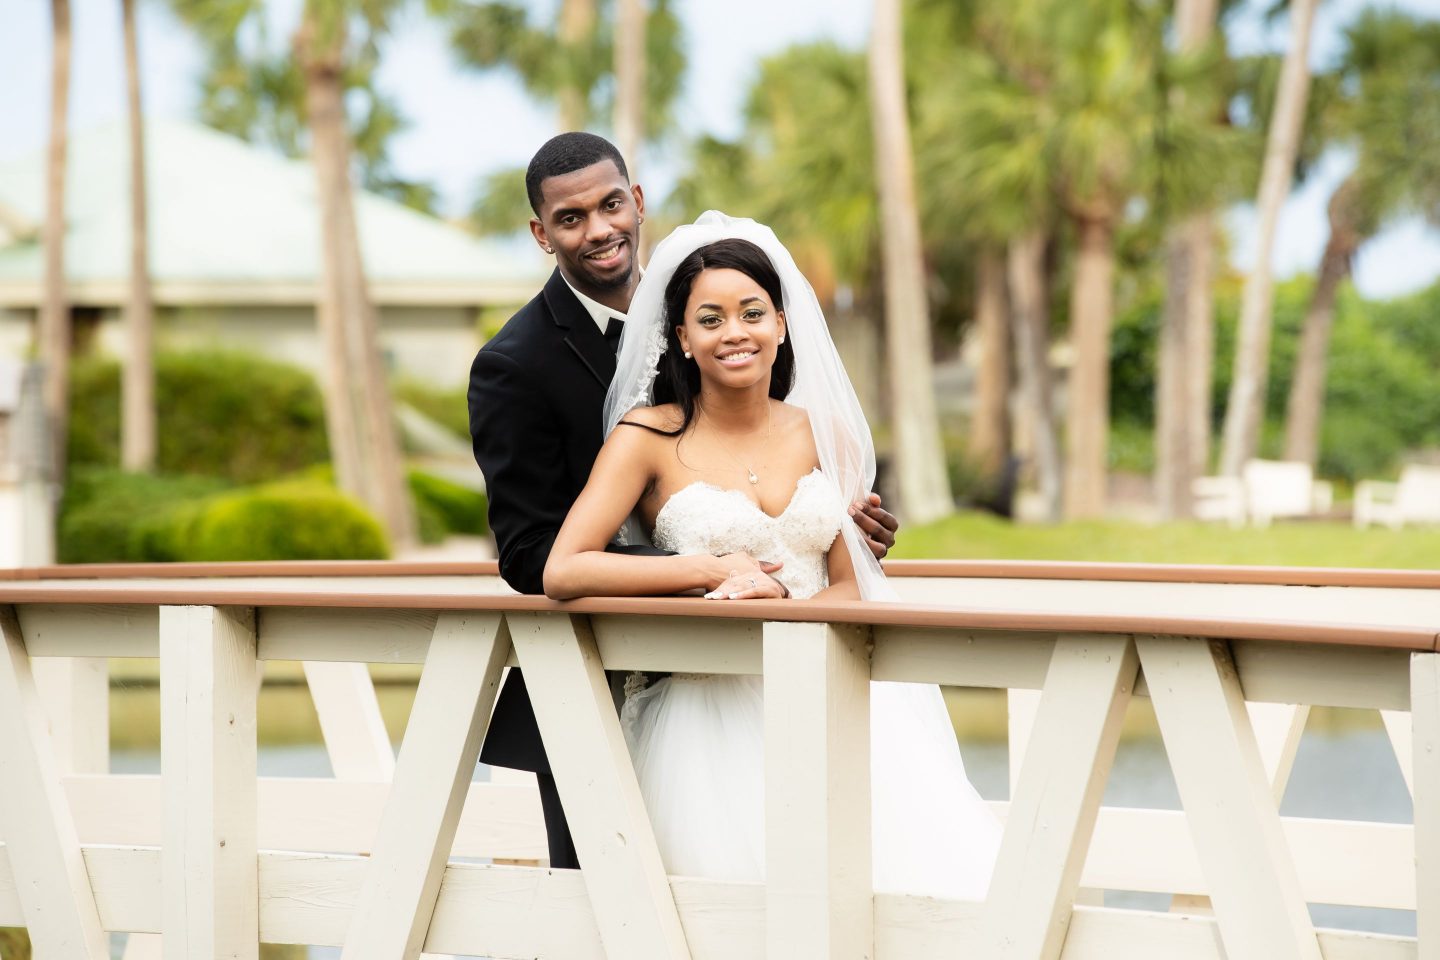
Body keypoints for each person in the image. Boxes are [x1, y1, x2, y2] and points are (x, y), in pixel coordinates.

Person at [467, 133, 899, 869]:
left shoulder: (720, 308)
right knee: (620, 916)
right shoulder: (515, 365)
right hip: (607, 686)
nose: (599, 229)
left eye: (610, 205)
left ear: (637, 203)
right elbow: (533, 559)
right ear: (542, 234)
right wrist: (705, 568)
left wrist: (843, 528)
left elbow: (781, 473)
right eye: (571, 219)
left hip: (795, 676)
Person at [543, 213, 1001, 898]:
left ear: (781, 325)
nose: (735, 333)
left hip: (829, 704)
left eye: (752, 313)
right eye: (711, 319)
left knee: (908, 893)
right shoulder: (646, 439)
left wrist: (794, 609)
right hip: (709, 721)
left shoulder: (828, 433)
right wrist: (708, 570)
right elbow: (564, 569)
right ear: (683, 340)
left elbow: (853, 586)